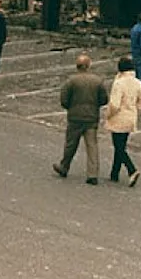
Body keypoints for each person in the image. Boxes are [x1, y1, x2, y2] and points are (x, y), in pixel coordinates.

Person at [52, 54, 109, 185]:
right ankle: (92, 174)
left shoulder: (71, 81)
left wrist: (71, 107)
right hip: (91, 117)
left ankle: (64, 166)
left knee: (71, 144)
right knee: (92, 145)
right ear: (89, 65)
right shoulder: (97, 81)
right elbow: (104, 99)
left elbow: (64, 100)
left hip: (75, 117)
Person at [105, 55, 141, 187]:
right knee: (121, 145)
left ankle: (131, 169)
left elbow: (114, 104)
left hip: (119, 118)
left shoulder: (119, 83)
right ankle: (114, 173)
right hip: (131, 117)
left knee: (118, 146)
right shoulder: (138, 83)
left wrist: (108, 115)